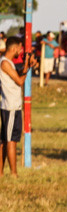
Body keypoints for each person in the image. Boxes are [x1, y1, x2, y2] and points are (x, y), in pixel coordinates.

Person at [1, 37, 34, 176]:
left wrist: (28, 66)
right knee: (11, 141)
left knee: (5, 140)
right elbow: (20, 81)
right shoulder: (5, 63)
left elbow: (17, 75)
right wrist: (26, 65)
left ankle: (1, 173)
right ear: (14, 48)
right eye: (20, 49)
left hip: (11, 106)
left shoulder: (8, 63)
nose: (20, 52)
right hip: (11, 107)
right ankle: (14, 173)